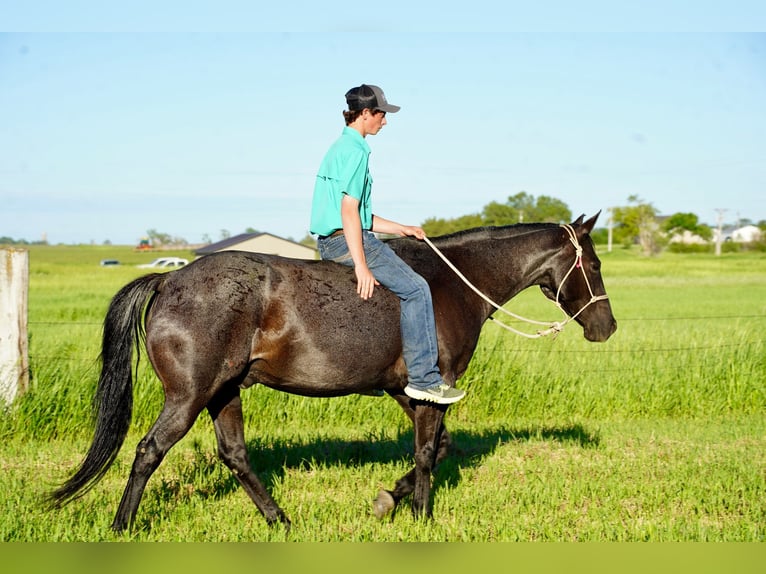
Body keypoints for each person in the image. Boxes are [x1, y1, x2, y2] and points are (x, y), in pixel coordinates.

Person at [310, 84, 465, 405]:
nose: (385, 121)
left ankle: (372, 370)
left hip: (329, 241)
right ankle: (424, 379)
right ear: (364, 114)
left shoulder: (339, 148)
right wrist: (362, 265)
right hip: (347, 242)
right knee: (417, 289)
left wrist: (401, 228)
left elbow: (360, 214)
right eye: (381, 114)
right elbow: (349, 212)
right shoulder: (356, 152)